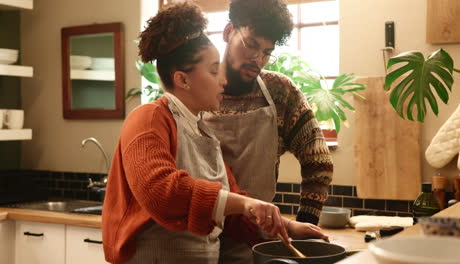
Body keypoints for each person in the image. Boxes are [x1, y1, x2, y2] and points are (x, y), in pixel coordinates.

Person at [101, 2, 326, 264]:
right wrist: (244, 204)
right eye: (213, 70)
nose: (223, 80)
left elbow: (231, 214)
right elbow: (161, 192)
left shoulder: (204, 133)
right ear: (183, 80)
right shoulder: (149, 118)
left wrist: (286, 227)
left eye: (267, 52)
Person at [202, 0, 334, 262]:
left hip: (256, 247)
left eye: (267, 51)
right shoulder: (195, 89)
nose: (257, 59)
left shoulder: (280, 93)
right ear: (228, 32)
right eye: (251, 44)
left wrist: (303, 225)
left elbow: (318, 162)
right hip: (196, 243)